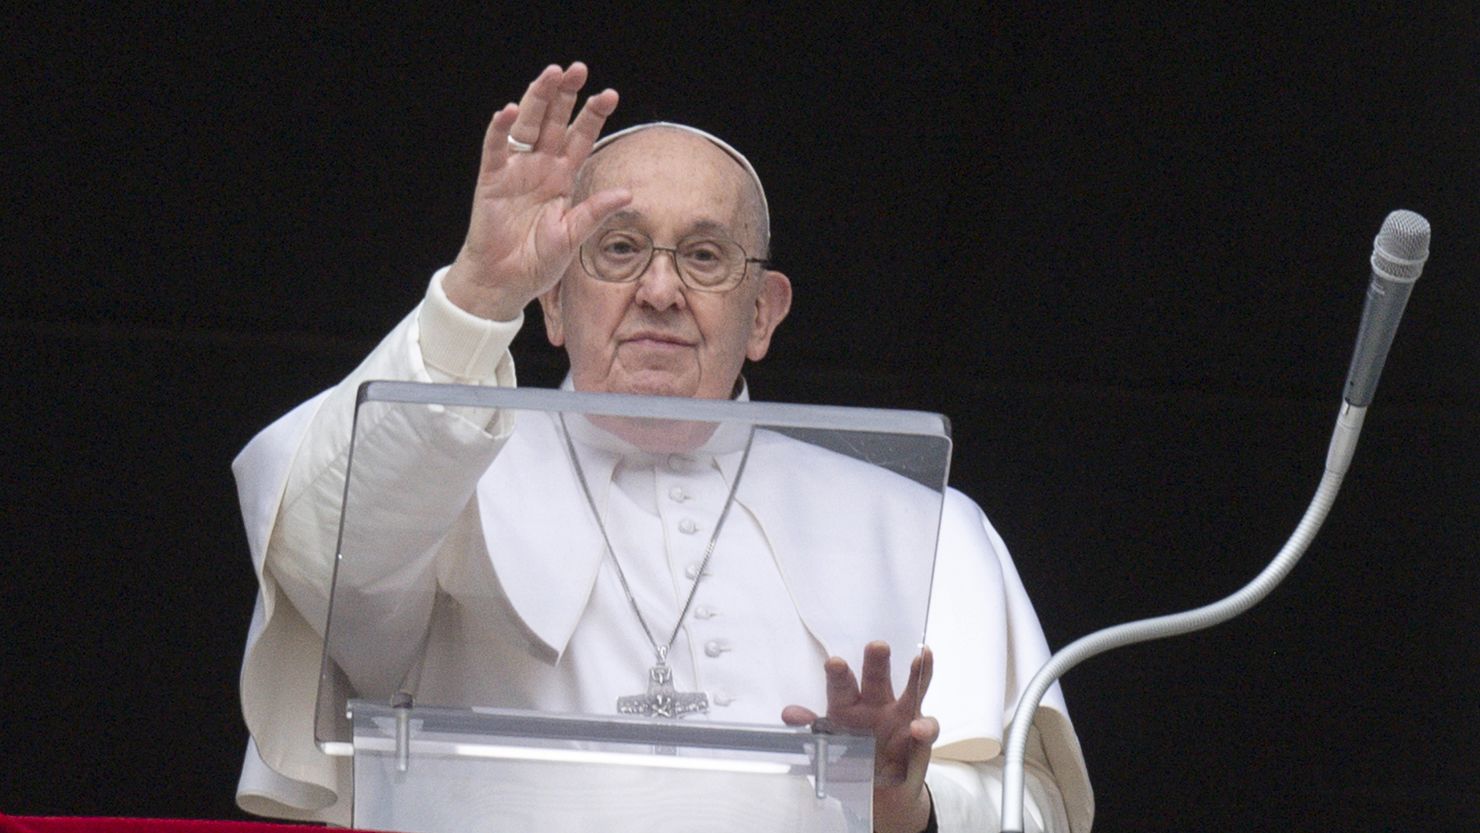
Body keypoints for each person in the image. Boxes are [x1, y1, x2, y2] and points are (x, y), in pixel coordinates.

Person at [233, 63, 1093, 833]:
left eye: (706, 256)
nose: (659, 290)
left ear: (762, 313)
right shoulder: (437, 472)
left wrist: (903, 805)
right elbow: (326, 558)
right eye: (617, 249)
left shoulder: (923, 528)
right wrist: (478, 292)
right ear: (555, 303)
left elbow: (1032, 808)